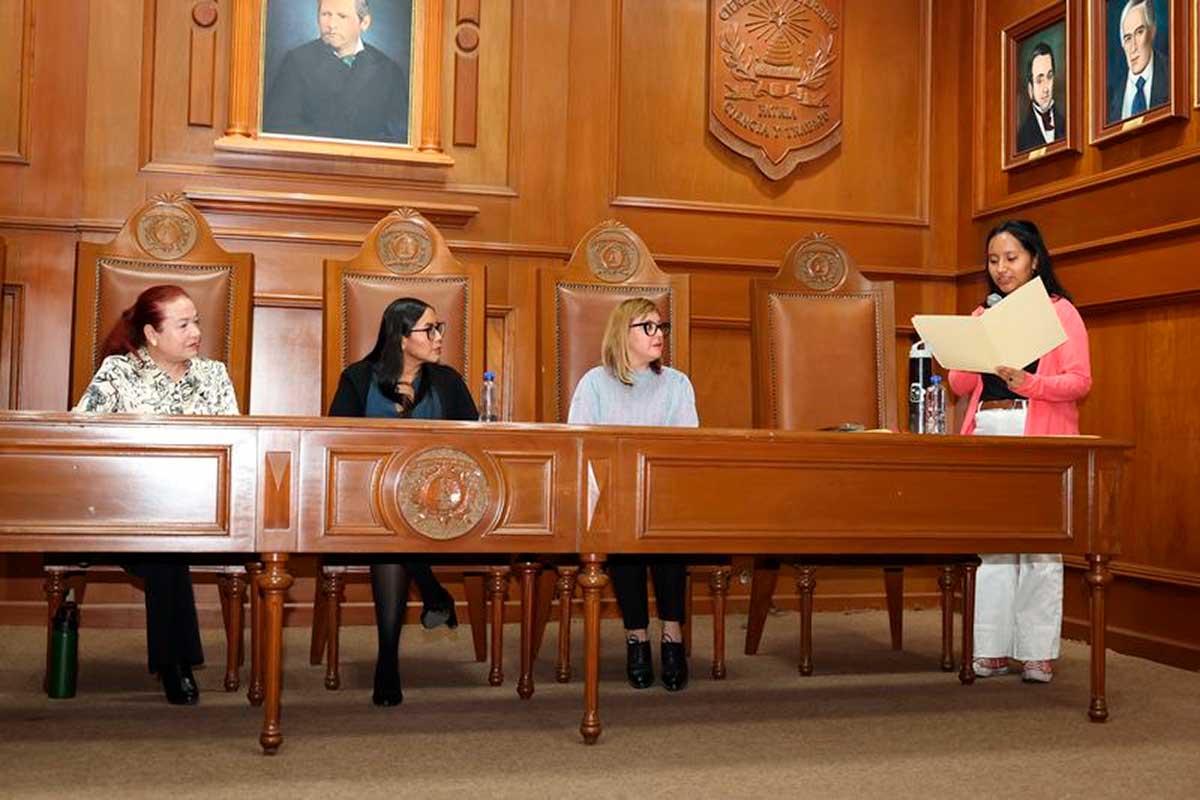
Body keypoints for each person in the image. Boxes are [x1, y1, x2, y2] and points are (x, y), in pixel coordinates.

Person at [73, 285, 240, 705]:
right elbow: (77, 434)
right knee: (165, 546)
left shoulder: (214, 374)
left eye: (196, 321)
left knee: (171, 542)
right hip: (126, 510)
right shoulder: (117, 372)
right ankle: (176, 664)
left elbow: (237, 442)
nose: (195, 331)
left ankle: (174, 662)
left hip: (204, 510)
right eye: (183, 324)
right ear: (151, 333)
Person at [947, 220, 1092, 684]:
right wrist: (970, 347)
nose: (1002, 269)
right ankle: (989, 648)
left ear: (1034, 258)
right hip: (989, 426)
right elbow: (960, 385)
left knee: (1039, 549)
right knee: (993, 546)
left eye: (1011, 258)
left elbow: (1079, 382)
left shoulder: (1060, 311)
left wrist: (1028, 382)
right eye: (993, 261)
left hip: (1037, 430)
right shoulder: (981, 313)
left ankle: (1035, 651)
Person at [328, 297, 478, 705]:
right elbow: (336, 446)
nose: (438, 337)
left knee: (395, 531)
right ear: (400, 338)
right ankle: (395, 649)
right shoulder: (357, 379)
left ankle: (423, 610)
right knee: (390, 530)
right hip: (369, 505)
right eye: (429, 330)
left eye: (438, 327)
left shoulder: (448, 382)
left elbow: (475, 443)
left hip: (443, 505)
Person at [567, 298, 699, 691]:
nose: (659, 335)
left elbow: (687, 450)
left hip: (664, 498)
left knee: (666, 528)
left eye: (662, 327)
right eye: (648, 327)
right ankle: (636, 636)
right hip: (611, 499)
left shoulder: (676, 383)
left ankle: (672, 634)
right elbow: (579, 445)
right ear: (622, 334)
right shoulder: (594, 382)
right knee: (620, 523)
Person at [263, 0, 409, 143]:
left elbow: (397, 138)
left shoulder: (388, 71)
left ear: (364, 22)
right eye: (325, 14)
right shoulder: (296, 61)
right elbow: (278, 127)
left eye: (342, 16)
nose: (331, 25)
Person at [1106, 0, 1170, 124]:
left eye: (1139, 32)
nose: (1133, 47)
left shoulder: (1172, 75)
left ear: (1152, 32)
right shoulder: (1110, 97)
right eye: (1128, 38)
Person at [1016, 42, 1065, 152]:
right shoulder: (1021, 138)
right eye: (1039, 80)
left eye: (1049, 77)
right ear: (1030, 89)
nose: (1046, 88)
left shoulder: (1066, 124)